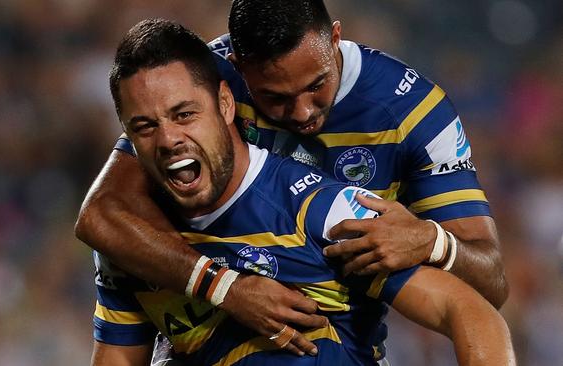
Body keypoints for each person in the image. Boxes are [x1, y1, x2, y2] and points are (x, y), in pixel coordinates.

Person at [76, 0, 507, 352]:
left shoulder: (415, 114)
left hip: (341, 336)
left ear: (335, 37)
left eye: (317, 84)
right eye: (275, 98)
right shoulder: (194, 88)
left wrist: (432, 241)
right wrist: (226, 287)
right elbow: (102, 215)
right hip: (211, 312)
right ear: (237, 75)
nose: (302, 113)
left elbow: (489, 286)